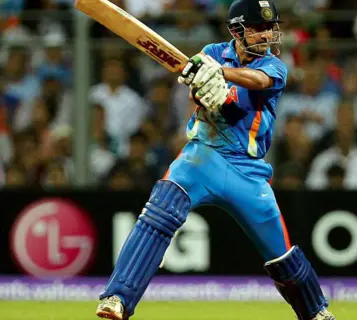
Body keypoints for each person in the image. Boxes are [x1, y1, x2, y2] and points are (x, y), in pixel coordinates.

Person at [95, 0, 335, 319]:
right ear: (238, 29)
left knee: (282, 258)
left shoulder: (274, 66)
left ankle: (316, 312)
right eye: (259, 28)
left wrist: (220, 75)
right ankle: (117, 299)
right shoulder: (212, 51)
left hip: (248, 171)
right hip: (203, 155)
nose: (267, 35)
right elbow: (199, 94)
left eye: (270, 28)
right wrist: (203, 88)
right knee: (159, 212)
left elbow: (258, 84)